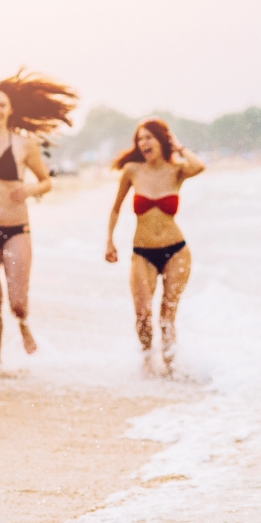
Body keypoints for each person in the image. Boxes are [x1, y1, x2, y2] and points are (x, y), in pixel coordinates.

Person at [0, 70, 76, 365]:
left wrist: (30, 189)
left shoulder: (24, 144)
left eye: (2, 105)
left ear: (10, 109)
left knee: (18, 302)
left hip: (16, 229)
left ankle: (23, 323)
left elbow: (46, 182)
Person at [104, 118, 205, 373]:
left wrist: (179, 147)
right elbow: (115, 208)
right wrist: (110, 241)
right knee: (142, 315)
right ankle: (147, 361)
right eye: (140, 139)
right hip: (143, 253)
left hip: (177, 251)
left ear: (161, 140)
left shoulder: (176, 170)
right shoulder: (132, 170)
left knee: (167, 317)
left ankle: (170, 369)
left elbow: (199, 166)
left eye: (149, 137)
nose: (144, 143)